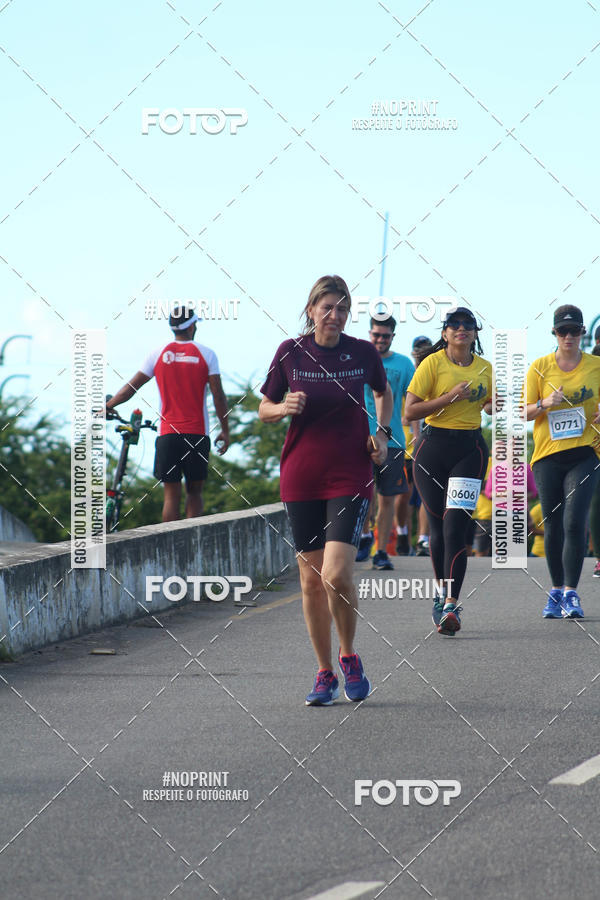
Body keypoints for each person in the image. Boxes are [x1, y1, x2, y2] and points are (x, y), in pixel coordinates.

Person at [259, 275, 393, 706]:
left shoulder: (362, 352)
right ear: (311, 309)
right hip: (301, 475)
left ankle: (349, 654)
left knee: (336, 574)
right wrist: (283, 407)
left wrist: (383, 435)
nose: (334, 316)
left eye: (341, 308)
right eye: (327, 307)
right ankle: (324, 673)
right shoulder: (290, 353)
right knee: (311, 582)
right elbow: (264, 407)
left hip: (350, 472)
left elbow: (382, 390)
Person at [404, 306, 492, 635]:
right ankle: (441, 594)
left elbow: (488, 402)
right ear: (445, 333)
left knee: (457, 526)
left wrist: (490, 404)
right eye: (454, 325)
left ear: (474, 333)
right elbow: (409, 410)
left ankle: (452, 604)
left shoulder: (485, 367)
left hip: (470, 449)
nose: (461, 329)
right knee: (439, 528)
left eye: (468, 325)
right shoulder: (432, 364)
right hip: (432, 450)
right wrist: (448, 397)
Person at [105, 305, 230, 522]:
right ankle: (193, 541)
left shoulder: (157, 354)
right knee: (194, 493)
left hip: (167, 436)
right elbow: (218, 396)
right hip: (197, 434)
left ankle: (170, 543)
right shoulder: (207, 354)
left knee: (171, 497)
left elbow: (131, 387)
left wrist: (108, 406)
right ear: (191, 326)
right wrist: (225, 430)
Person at [526, 305, 600, 618]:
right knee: (553, 523)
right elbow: (522, 412)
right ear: (554, 334)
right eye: (562, 331)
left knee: (575, 520)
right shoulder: (539, 367)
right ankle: (555, 591)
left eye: (574, 331)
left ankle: (572, 593)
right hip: (547, 457)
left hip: (585, 453)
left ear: (583, 333)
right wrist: (544, 403)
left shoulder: (597, 365)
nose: (568, 336)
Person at [362, 315, 414, 570]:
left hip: (392, 441)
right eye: (376, 335)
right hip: (359, 438)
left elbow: (413, 402)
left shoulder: (403, 364)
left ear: (392, 337)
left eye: (385, 336)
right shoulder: (357, 358)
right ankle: (363, 537)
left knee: (388, 498)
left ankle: (380, 551)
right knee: (361, 496)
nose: (380, 340)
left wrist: (419, 435)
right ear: (369, 334)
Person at [397, 336, 432, 557]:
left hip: (427, 447)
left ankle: (422, 540)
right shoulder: (406, 378)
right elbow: (400, 415)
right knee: (402, 497)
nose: (421, 357)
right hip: (402, 447)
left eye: (425, 353)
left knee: (426, 497)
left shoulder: (434, 377)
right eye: (418, 353)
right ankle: (402, 534)